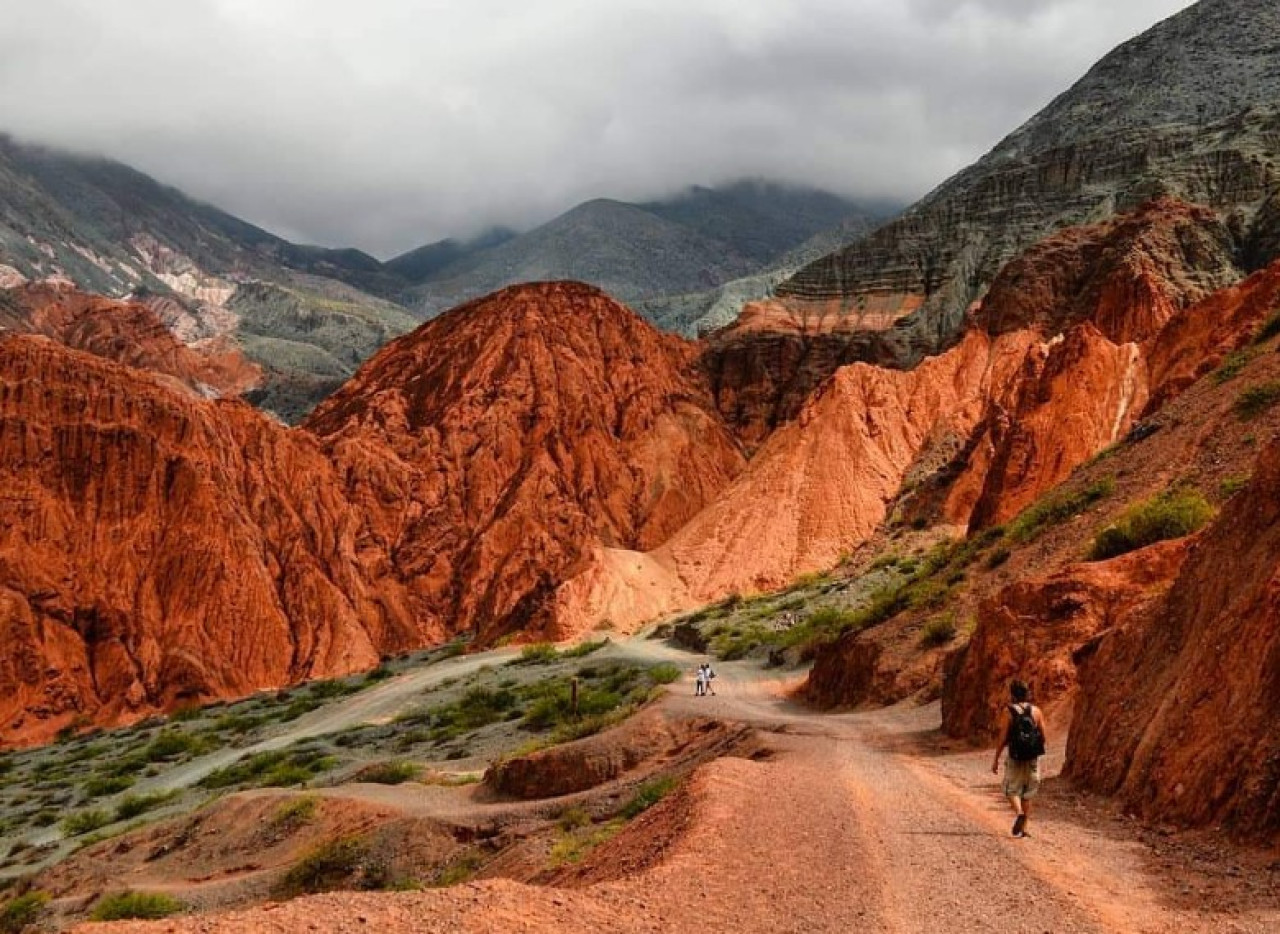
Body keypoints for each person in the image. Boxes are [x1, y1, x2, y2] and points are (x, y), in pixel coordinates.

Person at [991, 679, 1047, 838]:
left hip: (1015, 756)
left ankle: (1019, 813)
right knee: (1028, 792)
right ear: (1027, 693)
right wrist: (1036, 748)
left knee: (1011, 789)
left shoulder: (1008, 712)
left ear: (1012, 695)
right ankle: (1024, 828)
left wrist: (996, 758)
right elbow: (1044, 735)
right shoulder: (1036, 711)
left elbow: (1002, 738)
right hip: (1032, 757)